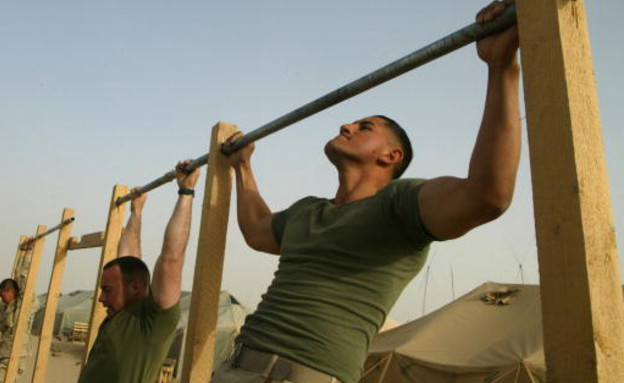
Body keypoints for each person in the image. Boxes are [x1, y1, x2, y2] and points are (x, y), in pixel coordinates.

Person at [212, 1, 521, 383]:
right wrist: (243, 165)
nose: (346, 125)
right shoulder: (308, 212)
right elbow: (256, 229)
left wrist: (501, 68)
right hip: (234, 370)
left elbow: (487, 195)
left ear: (392, 156)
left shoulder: (399, 205)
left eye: (365, 127)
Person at [78, 159, 200, 383]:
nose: (101, 298)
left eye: (107, 290)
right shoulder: (121, 313)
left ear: (135, 288)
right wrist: (136, 213)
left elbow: (171, 258)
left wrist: (186, 191)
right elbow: (128, 261)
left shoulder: (152, 320)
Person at [0, 279, 25, 380]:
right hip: (6, 353)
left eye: (2, 295)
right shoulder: (6, 307)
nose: (1, 299)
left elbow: (25, 279)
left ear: (10, 292)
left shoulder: (21, 305)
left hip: (16, 354)